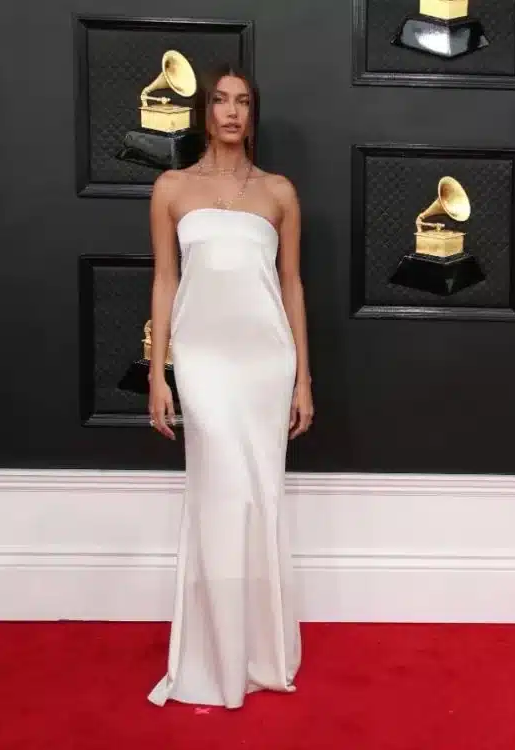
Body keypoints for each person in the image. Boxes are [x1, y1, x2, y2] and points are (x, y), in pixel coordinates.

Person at [145, 63, 313, 709]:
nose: (231, 111)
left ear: (254, 113)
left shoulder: (278, 192)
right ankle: (213, 654)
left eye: (243, 101)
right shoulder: (171, 187)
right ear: (204, 112)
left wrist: (304, 377)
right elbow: (164, 280)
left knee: (258, 494)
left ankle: (260, 650)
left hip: (264, 360)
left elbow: (292, 284)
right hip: (202, 357)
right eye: (220, 100)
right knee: (217, 493)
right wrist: (159, 372)